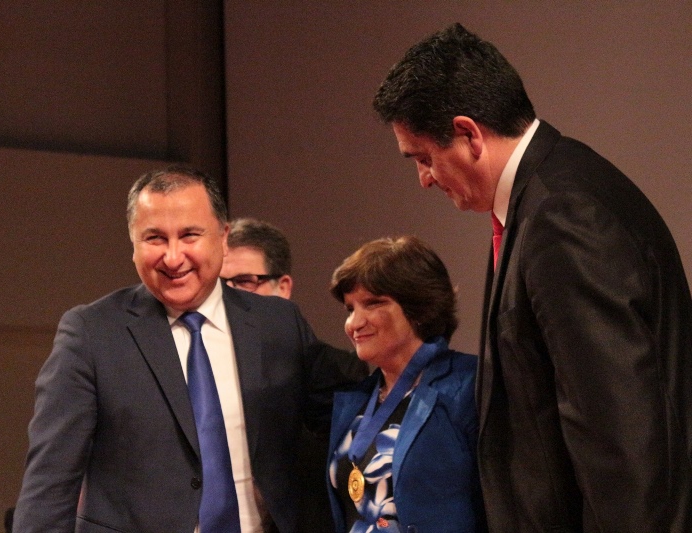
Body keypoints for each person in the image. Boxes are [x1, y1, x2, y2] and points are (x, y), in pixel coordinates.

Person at [373, 22, 692, 532]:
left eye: (425, 158)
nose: (425, 179)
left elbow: (618, 437)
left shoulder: (563, 214)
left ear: (469, 134)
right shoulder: (543, 199)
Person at [13, 165, 367, 533]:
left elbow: (352, 414)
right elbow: (49, 485)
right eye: (155, 238)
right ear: (133, 244)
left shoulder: (277, 324)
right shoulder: (92, 334)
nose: (172, 257)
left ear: (223, 238)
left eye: (189, 235)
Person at [327, 236, 482, 532]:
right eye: (350, 308)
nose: (354, 323)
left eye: (373, 303)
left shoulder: (468, 386)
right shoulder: (357, 399)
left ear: (419, 308)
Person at [220, 217, 366, 533]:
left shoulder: (339, 377)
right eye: (220, 285)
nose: (229, 297)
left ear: (283, 287)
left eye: (244, 281)